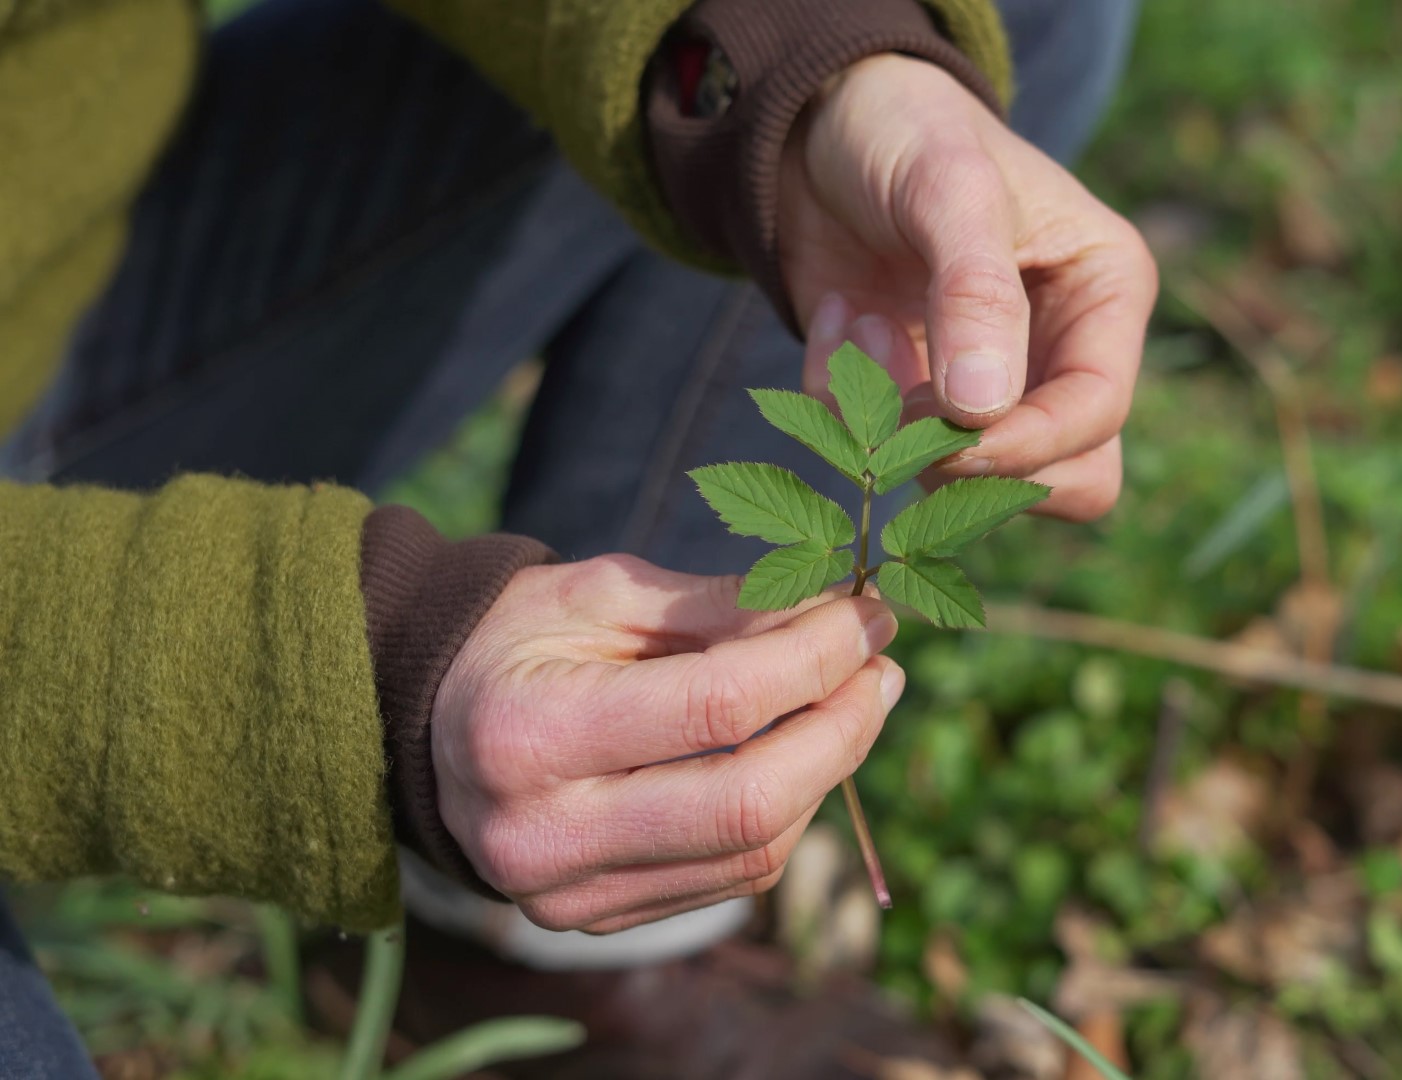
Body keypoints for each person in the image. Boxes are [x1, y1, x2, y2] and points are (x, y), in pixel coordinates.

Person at [0, 0, 1155, 1074]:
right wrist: (358, 681)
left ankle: (536, 922)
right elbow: (350, 674)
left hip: (75, 279)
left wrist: (801, 63)